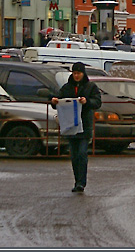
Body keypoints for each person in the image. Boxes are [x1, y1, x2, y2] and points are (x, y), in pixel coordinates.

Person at [50, 62, 102, 193]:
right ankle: (77, 181)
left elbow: (97, 102)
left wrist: (87, 102)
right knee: (74, 155)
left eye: (79, 73)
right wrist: (54, 102)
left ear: (83, 73)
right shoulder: (67, 87)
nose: (76, 75)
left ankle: (81, 182)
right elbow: (58, 100)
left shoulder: (90, 87)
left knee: (82, 153)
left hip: (85, 126)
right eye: (74, 73)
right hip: (71, 126)